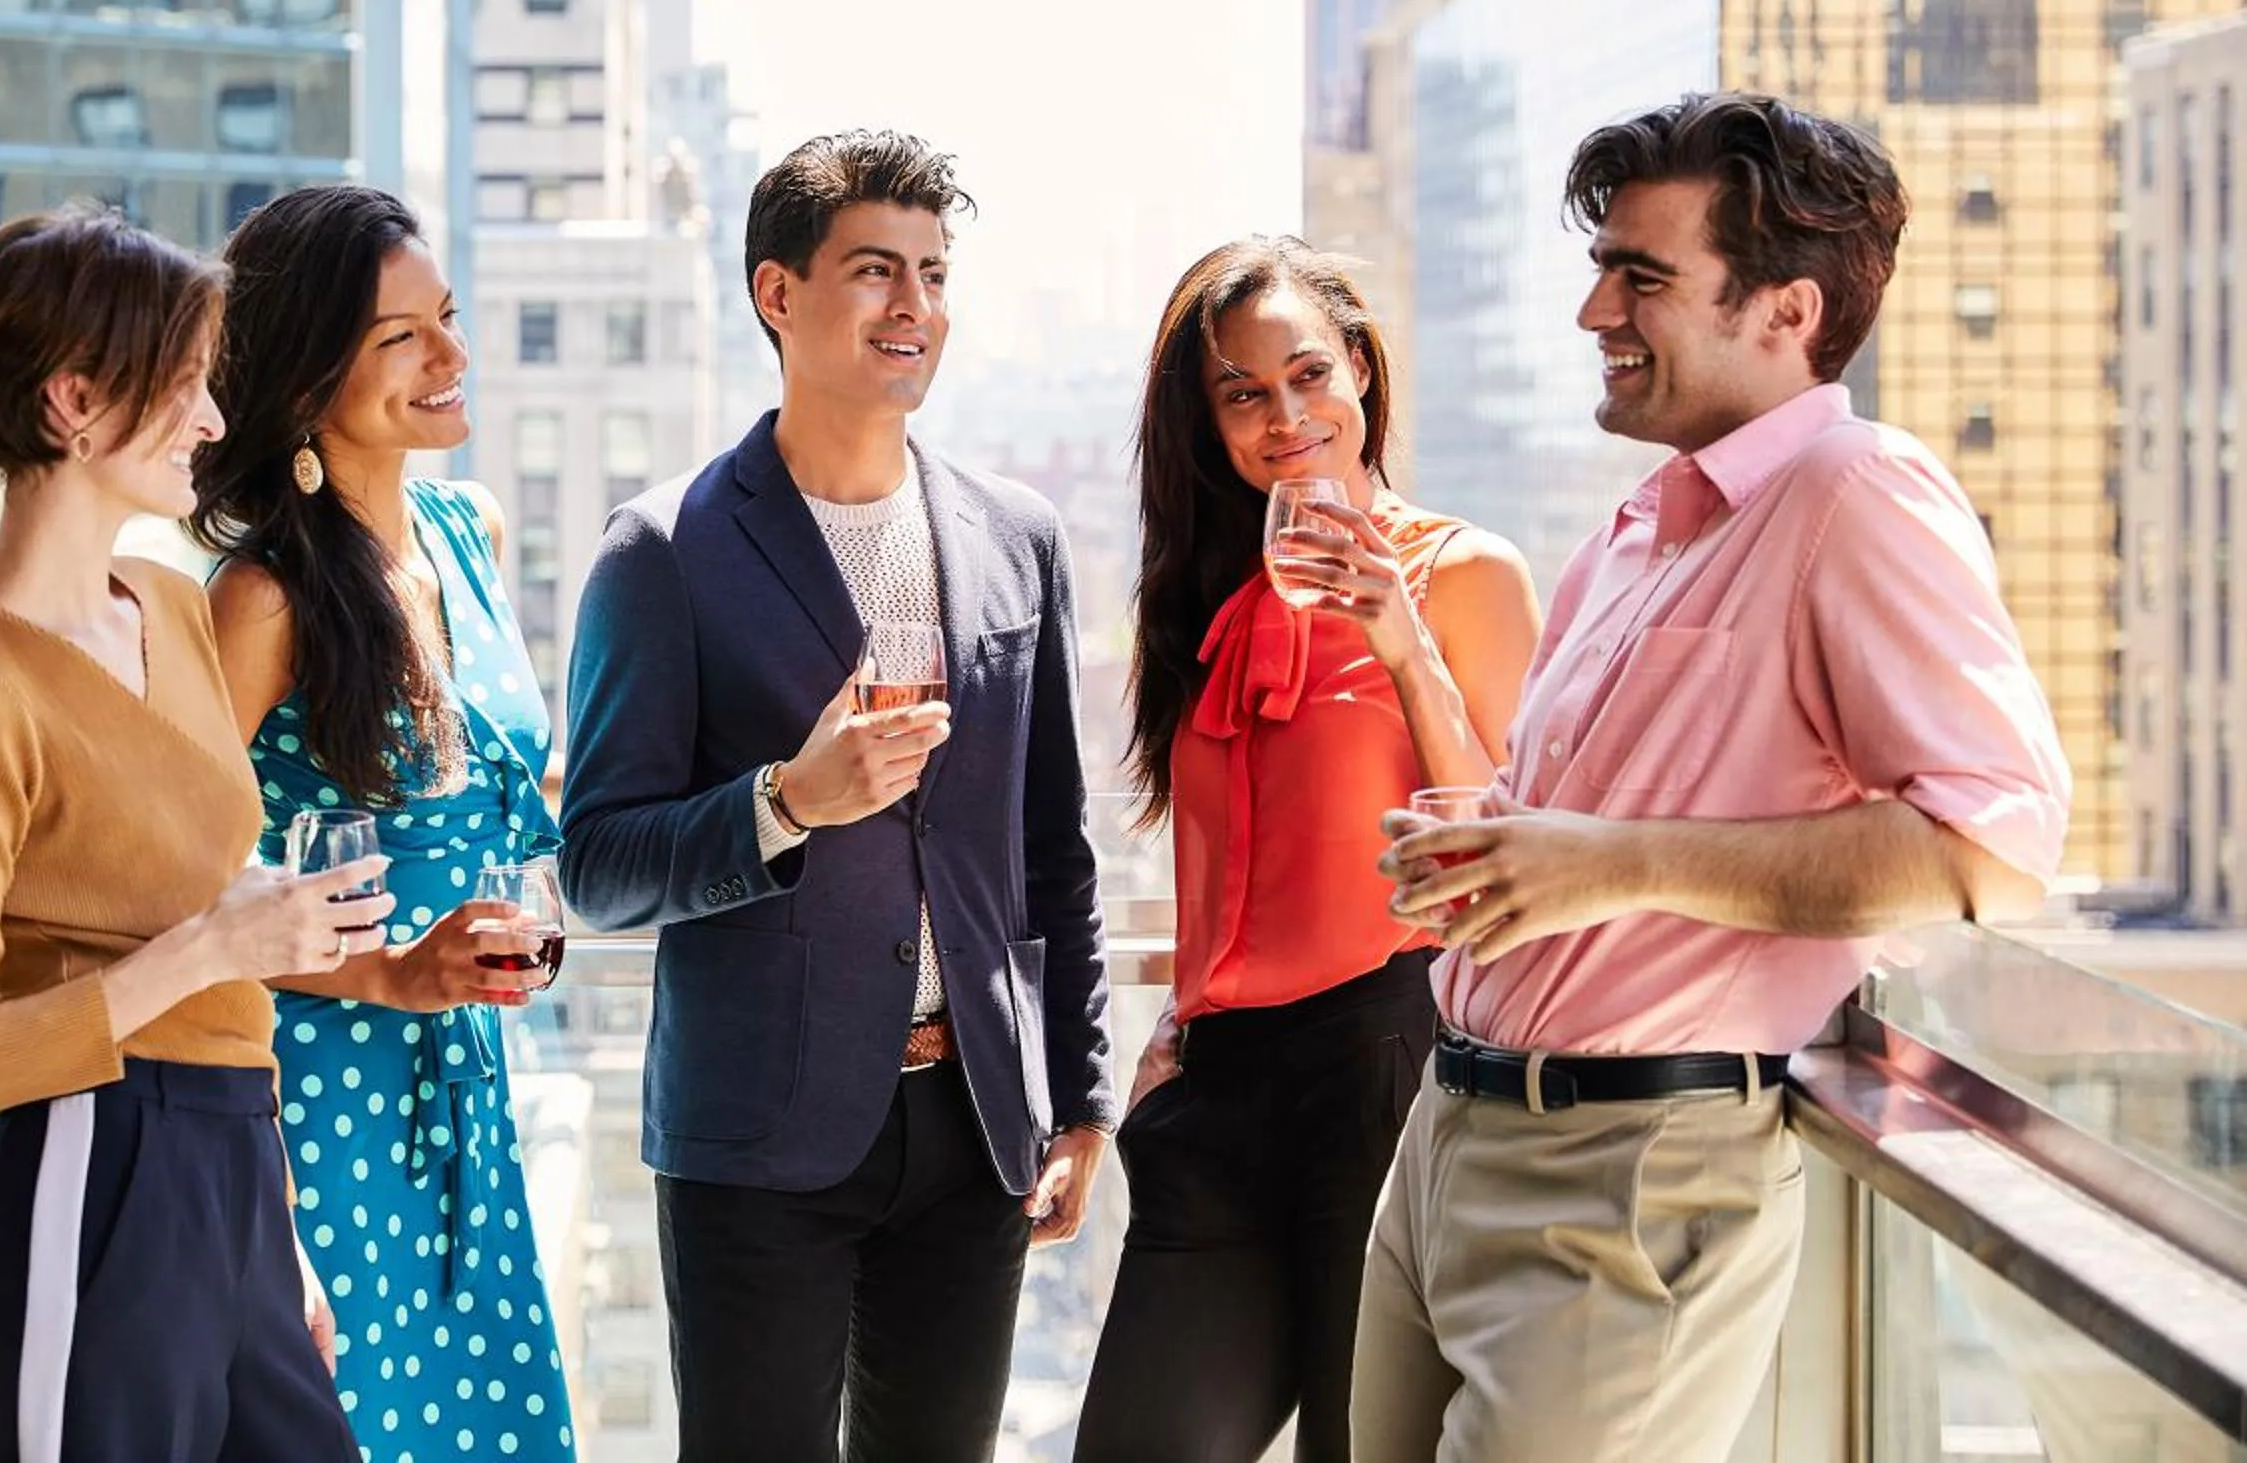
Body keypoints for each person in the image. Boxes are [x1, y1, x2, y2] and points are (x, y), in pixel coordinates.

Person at [1354, 93, 2072, 1462]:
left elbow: (1995, 845)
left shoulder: (1859, 492)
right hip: (1447, 1141)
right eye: (1597, 269)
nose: (1595, 315)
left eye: (1643, 277)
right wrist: (1503, 852)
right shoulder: (1636, 527)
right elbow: (1553, 823)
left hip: (1630, 1178)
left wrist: (1613, 863)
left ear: (1785, 313)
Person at [558, 129, 1116, 1463]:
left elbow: (1057, 853)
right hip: (756, 1134)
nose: (912, 305)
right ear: (778, 294)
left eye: (932, 272)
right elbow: (598, 865)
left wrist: (1081, 1105)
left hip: (976, 1125)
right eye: (875, 270)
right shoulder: (666, 553)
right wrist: (785, 802)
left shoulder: (1016, 538)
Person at [0, 206, 386, 1461]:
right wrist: (211, 949)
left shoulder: (169, 602)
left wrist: (274, 1232)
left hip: (235, 1166)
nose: (213, 420)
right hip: (91, 1172)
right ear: (73, 403)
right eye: (183, 387)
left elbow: (217, 938)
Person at [1074, 238, 1540, 1463]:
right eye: (1241, 391)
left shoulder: (1466, 573)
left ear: (1364, 376)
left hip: (1384, 1062)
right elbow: (1222, 861)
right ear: (1211, 424)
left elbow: (1503, 849)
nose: (1285, 415)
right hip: (1217, 1093)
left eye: (1308, 373)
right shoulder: (1217, 609)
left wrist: (1400, 636)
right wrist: (1176, 1023)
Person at [189, 184, 576, 1463]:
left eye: (448, 319)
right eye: (405, 336)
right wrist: (387, 968)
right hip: (321, 1105)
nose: (454, 357)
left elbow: (504, 800)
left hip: (467, 1085)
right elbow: (174, 880)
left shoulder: (472, 532)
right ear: (306, 380)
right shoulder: (260, 600)